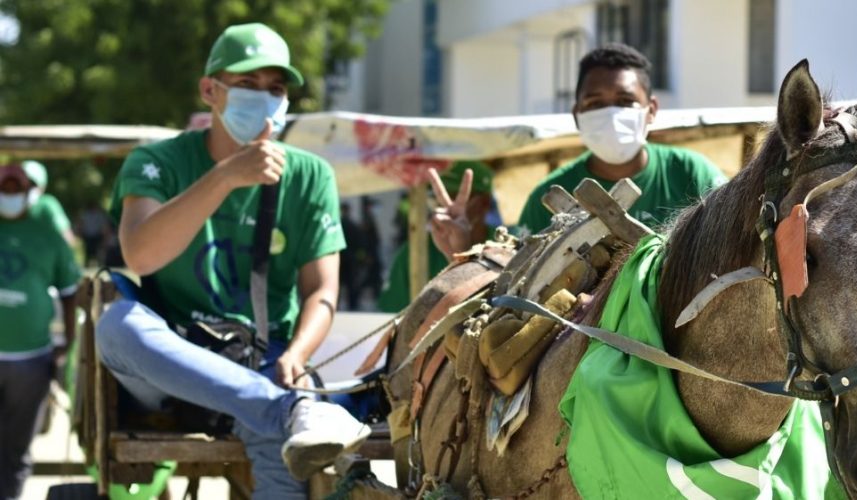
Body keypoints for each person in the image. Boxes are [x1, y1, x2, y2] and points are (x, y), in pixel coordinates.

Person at [95, 23, 369, 498]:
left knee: (282, 449)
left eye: (276, 88)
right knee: (116, 325)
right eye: (247, 85)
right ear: (210, 91)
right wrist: (225, 178)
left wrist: (297, 354)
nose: (264, 98)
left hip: (260, 362)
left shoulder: (310, 176)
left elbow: (321, 291)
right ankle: (288, 410)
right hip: (168, 363)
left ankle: (280, 411)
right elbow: (140, 254)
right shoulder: (155, 161)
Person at [430, 43, 725, 255]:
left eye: (625, 102)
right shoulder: (548, 197)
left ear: (651, 111)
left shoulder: (693, 175)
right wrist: (464, 247)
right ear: (577, 115)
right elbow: (517, 286)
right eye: (595, 104)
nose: (611, 114)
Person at [0, 164, 80, 500]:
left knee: (16, 447)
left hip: (31, 360)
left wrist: (69, 344)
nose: (12, 193)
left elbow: (70, 290)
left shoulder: (48, 237)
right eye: (6, 186)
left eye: (19, 187)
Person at [376, 160, 495, 313]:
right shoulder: (415, 253)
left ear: (484, 203)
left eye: (454, 197)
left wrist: (459, 255)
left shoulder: (508, 250)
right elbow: (390, 314)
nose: (444, 209)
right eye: (436, 200)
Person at [22, 160, 77, 245]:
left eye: (32, 184)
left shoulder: (47, 205)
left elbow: (66, 237)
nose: (27, 188)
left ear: (42, 187)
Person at [78, 201, 112, 267]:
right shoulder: (86, 215)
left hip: (96, 235)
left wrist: (105, 236)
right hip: (88, 235)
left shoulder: (98, 215)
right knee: (88, 252)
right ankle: (88, 264)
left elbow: (104, 226)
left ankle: (99, 264)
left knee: (97, 252)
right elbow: (81, 224)